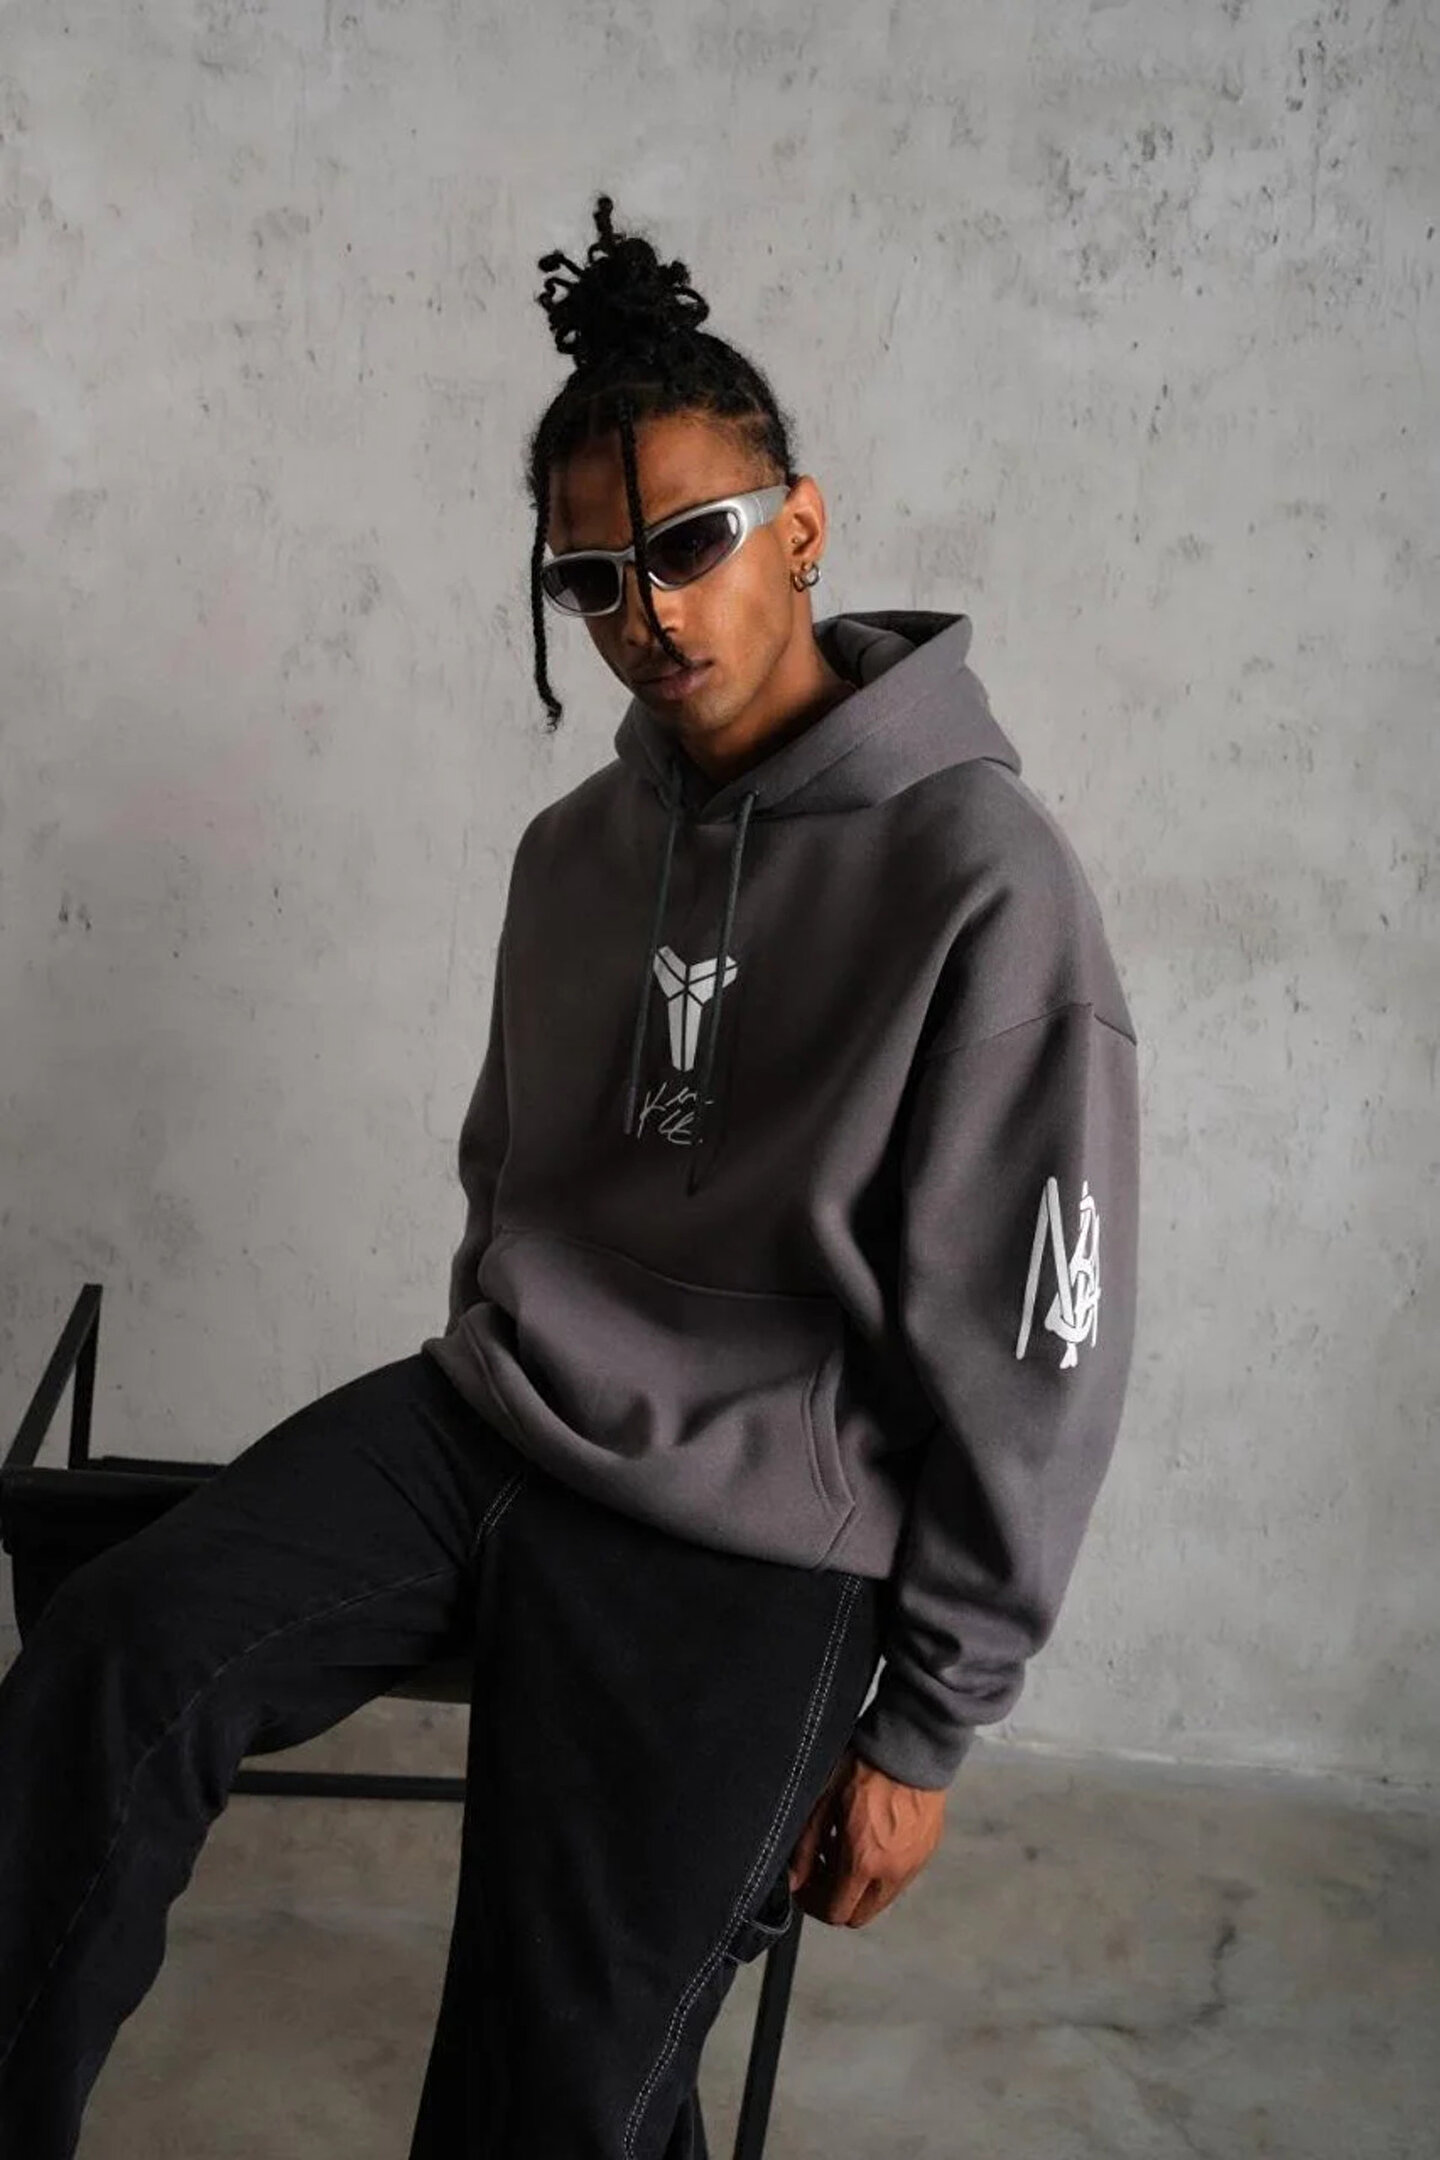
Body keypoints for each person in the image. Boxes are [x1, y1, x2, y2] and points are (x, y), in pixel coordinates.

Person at [0, 192, 1139, 2159]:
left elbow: (1041, 1344)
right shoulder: (574, 853)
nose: (648, 614)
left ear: (801, 525)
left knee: (544, 2093)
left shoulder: (984, 878)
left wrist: (930, 1721)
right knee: (111, 1656)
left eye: (691, 545)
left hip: (763, 1522)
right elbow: (510, 1176)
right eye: (592, 578)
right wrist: (495, 1361)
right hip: (492, 1422)